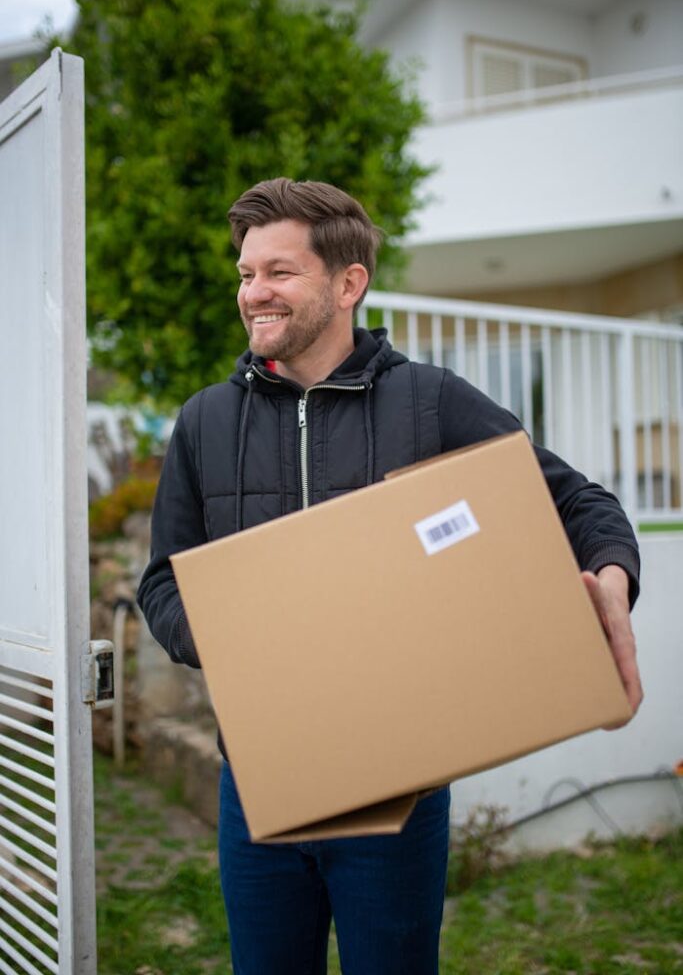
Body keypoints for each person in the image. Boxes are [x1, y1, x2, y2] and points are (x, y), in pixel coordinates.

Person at [137, 177, 643, 975]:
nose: (253, 293)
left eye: (277, 272)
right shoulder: (205, 420)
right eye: (244, 273)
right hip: (259, 786)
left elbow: (577, 502)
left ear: (348, 284)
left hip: (398, 797)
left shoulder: (427, 402)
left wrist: (610, 575)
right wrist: (233, 640)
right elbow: (161, 582)